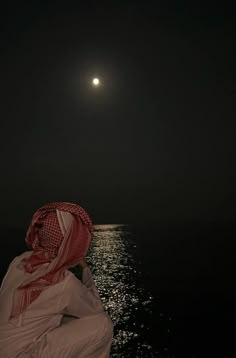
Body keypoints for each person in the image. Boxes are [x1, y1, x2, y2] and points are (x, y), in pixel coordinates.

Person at [0, 202, 113, 357]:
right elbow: (95, 308)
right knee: (102, 324)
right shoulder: (63, 282)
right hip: (20, 354)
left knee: (66, 318)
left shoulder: (19, 261)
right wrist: (86, 270)